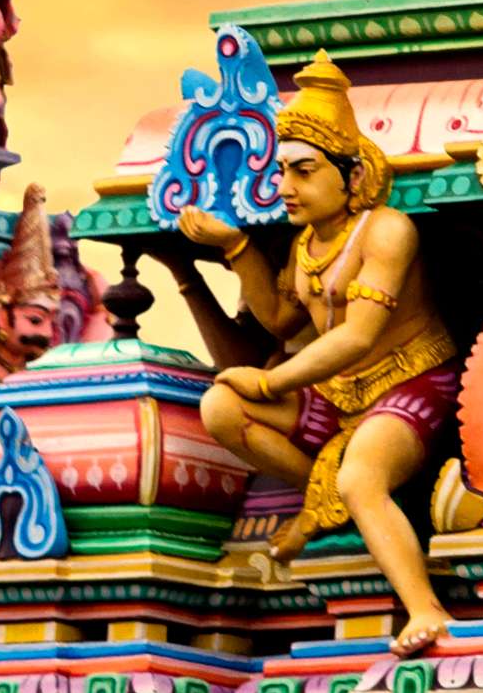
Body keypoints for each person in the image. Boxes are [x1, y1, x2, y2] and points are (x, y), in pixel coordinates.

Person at [165, 60, 458, 653]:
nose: (286, 187)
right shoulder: (305, 245)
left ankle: (426, 609)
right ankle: (327, 497)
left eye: (304, 171)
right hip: (339, 394)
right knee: (220, 407)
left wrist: (271, 385)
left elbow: (357, 337)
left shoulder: (386, 231)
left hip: (410, 382)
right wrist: (232, 248)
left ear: (353, 176)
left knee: (361, 475)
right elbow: (279, 322)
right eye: (281, 172)